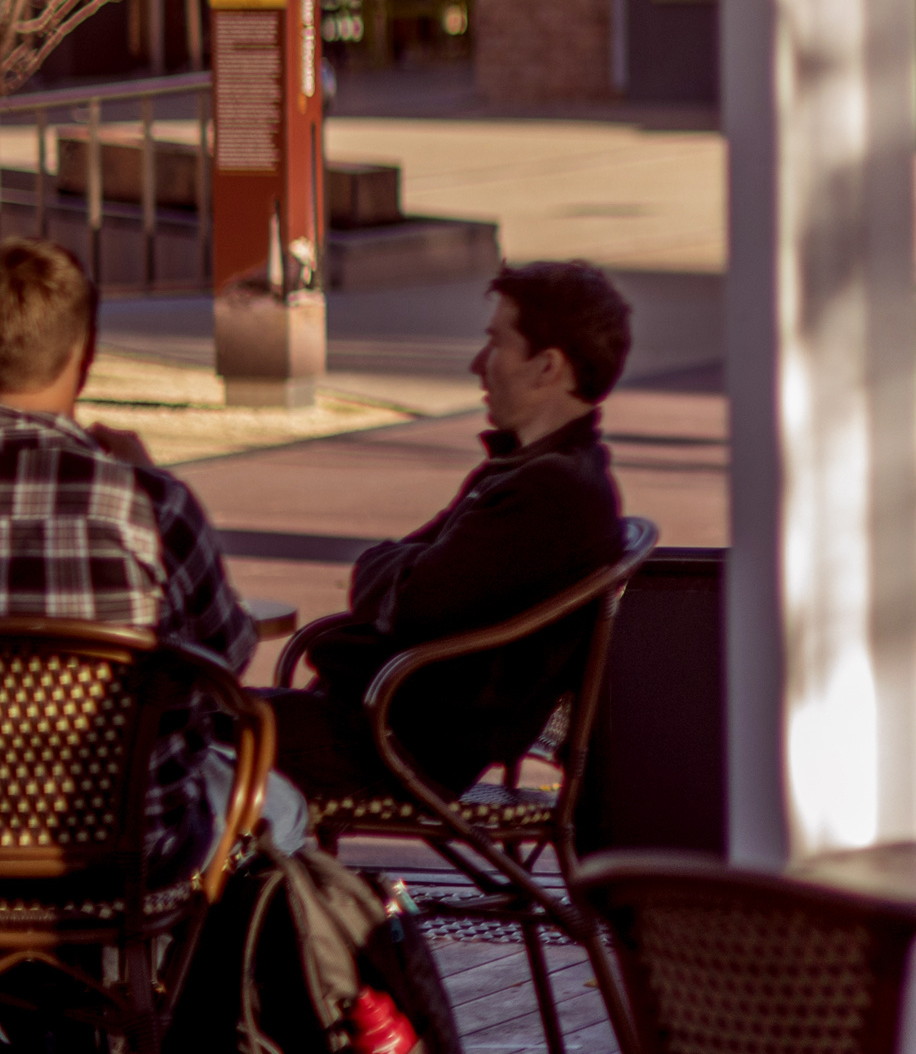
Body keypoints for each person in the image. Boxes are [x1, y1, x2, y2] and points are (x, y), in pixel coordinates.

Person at [267, 262, 630, 806]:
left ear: (547, 367)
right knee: (194, 719)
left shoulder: (551, 492)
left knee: (174, 728)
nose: (477, 365)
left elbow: (411, 600)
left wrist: (388, 574)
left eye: (496, 344)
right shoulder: (537, 474)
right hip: (383, 726)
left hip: (393, 748)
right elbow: (395, 576)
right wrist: (390, 574)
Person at [0, 238, 255, 875]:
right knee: (276, 805)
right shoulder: (147, 503)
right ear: (83, 360)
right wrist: (149, 479)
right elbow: (228, 659)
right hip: (129, 851)